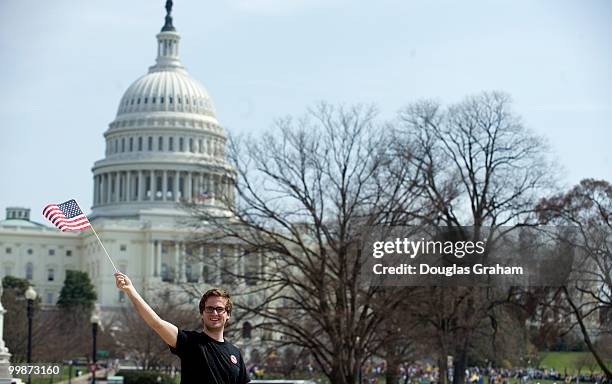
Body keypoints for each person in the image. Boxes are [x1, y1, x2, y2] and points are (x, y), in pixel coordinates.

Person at [114, 271, 250, 384]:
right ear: (202, 313)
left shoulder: (235, 353)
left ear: (228, 315)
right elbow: (157, 323)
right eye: (209, 309)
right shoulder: (189, 342)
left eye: (219, 309)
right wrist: (131, 291)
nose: (214, 313)